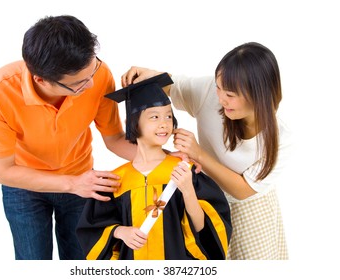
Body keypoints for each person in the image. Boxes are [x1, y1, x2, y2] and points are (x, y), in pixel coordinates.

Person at [0, 15, 137, 260]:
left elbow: (114, 138)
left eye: (92, 71)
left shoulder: (98, 75)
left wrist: (167, 159)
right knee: (33, 262)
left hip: (80, 177)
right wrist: (73, 184)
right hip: (24, 185)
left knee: (82, 260)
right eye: (78, 83)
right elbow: (3, 171)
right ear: (40, 79)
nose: (91, 84)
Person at [121, 42, 292, 260]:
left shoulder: (281, 137)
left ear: (257, 94)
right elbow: (174, 86)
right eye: (218, 87)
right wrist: (151, 76)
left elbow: (243, 190)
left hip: (250, 211)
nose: (220, 98)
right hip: (206, 201)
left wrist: (198, 153)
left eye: (230, 94)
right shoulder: (210, 92)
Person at [77, 73, 232, 260]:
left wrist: (188, 191)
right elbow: (92, 232)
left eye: (168, 116)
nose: (164, 123)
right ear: (132, 123)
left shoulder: (184, 171)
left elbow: (205, 232)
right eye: (154, 117)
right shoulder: (117, 181)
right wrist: (119, 232)